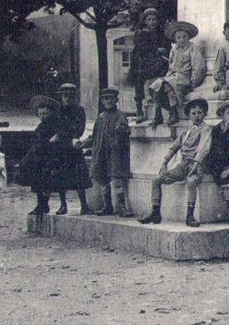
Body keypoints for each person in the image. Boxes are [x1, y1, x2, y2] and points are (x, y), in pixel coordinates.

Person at [138, 97, 212, 227]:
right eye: (193, 113)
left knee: (191, 181)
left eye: (200, 113)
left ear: (204, 113)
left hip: (198, 164)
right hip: (183, 164)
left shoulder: (206, 129)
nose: (197, 116)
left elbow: (204, 147)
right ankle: (155, 212)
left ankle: (189, 216)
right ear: (189, 115)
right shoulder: (187, 131)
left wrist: (196, 164)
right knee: (156, 180)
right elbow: (174, 147)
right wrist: (164, 162)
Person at [83, 87, 133, 217]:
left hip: (115, 152)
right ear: (102, 101)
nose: (108, 101)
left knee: (116, 179)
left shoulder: (120, 115)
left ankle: (122, 206)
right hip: (101, 153)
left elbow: (126, 131)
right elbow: (94, 135)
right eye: (105, 99)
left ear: (115, 100)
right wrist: (83, 144)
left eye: (111, 98)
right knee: (102, 179)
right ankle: (107, 206)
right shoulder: (101, 117)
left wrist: (121, 129)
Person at [147, 20, 206, 128]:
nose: (182, 40)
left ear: (188, 37)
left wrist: (193, 82)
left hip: (184, 77)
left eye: (184, 37)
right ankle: (158, 113)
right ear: (175, 39)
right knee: (155, 86)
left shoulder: (193, 48)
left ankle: (173, 113)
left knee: (167, 85)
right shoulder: (174, 49)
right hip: (172, 76)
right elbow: (171, 64)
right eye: (178, 37)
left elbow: (198, 67)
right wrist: (168, 76)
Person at [53, 83, 94, 215]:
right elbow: (57, 128)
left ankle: (84, 205)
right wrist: (65, 135)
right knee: (61, 177)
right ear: (61, 97)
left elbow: (80, 128)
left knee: (79, 178)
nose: (68, 98)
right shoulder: (57, 111)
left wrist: (70, 136)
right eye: (65, 96)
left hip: (74, 147)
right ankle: (63, 205)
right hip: (61, 148)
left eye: (71, 96)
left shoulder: (79, 111)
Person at [19, 95, 63, 217]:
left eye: (45, 113)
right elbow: (35, 142)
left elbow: (55, 141)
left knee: (46, 182)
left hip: (49, 157)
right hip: (38, 157)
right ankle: (41, 204)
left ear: (51, 113)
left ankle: (44, 204)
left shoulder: (55, 125)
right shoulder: (39, 127)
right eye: (40, 114)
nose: (42, 116)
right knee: (37, 181)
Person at [127, 8, 169, 122]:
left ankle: (158, 110)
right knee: (138, 78)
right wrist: (156, 50)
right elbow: (141, 48)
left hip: (158, 61)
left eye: (154, 19)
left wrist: (162, 51)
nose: (152, 22)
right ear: (145, 21)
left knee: (160, 81)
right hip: (143, 61)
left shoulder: (161, 34)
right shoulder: (140, 33)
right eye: (149, 19)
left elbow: (166, 48)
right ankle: (139, 110)